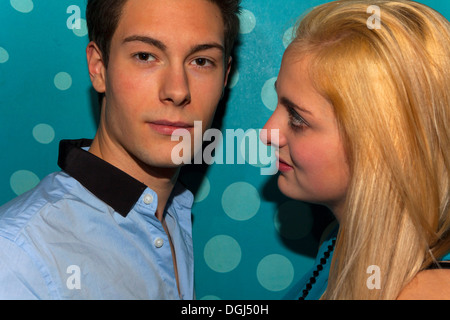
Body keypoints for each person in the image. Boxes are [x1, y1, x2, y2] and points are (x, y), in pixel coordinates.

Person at [0, 0, 240, 299]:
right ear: (99, 68)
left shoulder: (173, 211)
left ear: (225, 76)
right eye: (145, 56)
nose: (177, 90)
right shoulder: (17, 256)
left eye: (201, 61)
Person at [262, 0, 450, 299]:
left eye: (297, 118)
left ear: (381, 145)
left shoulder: (427, 291)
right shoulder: (338, 249)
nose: (268, 132)